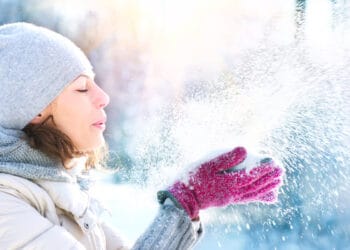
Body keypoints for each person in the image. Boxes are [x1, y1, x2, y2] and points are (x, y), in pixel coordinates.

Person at [0, 22, 283, 250]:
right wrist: (183, 204)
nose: (103, 97)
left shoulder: (59, 190)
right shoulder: (6, 204)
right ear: (33, 109)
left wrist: (188, 203)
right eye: (82, 88)